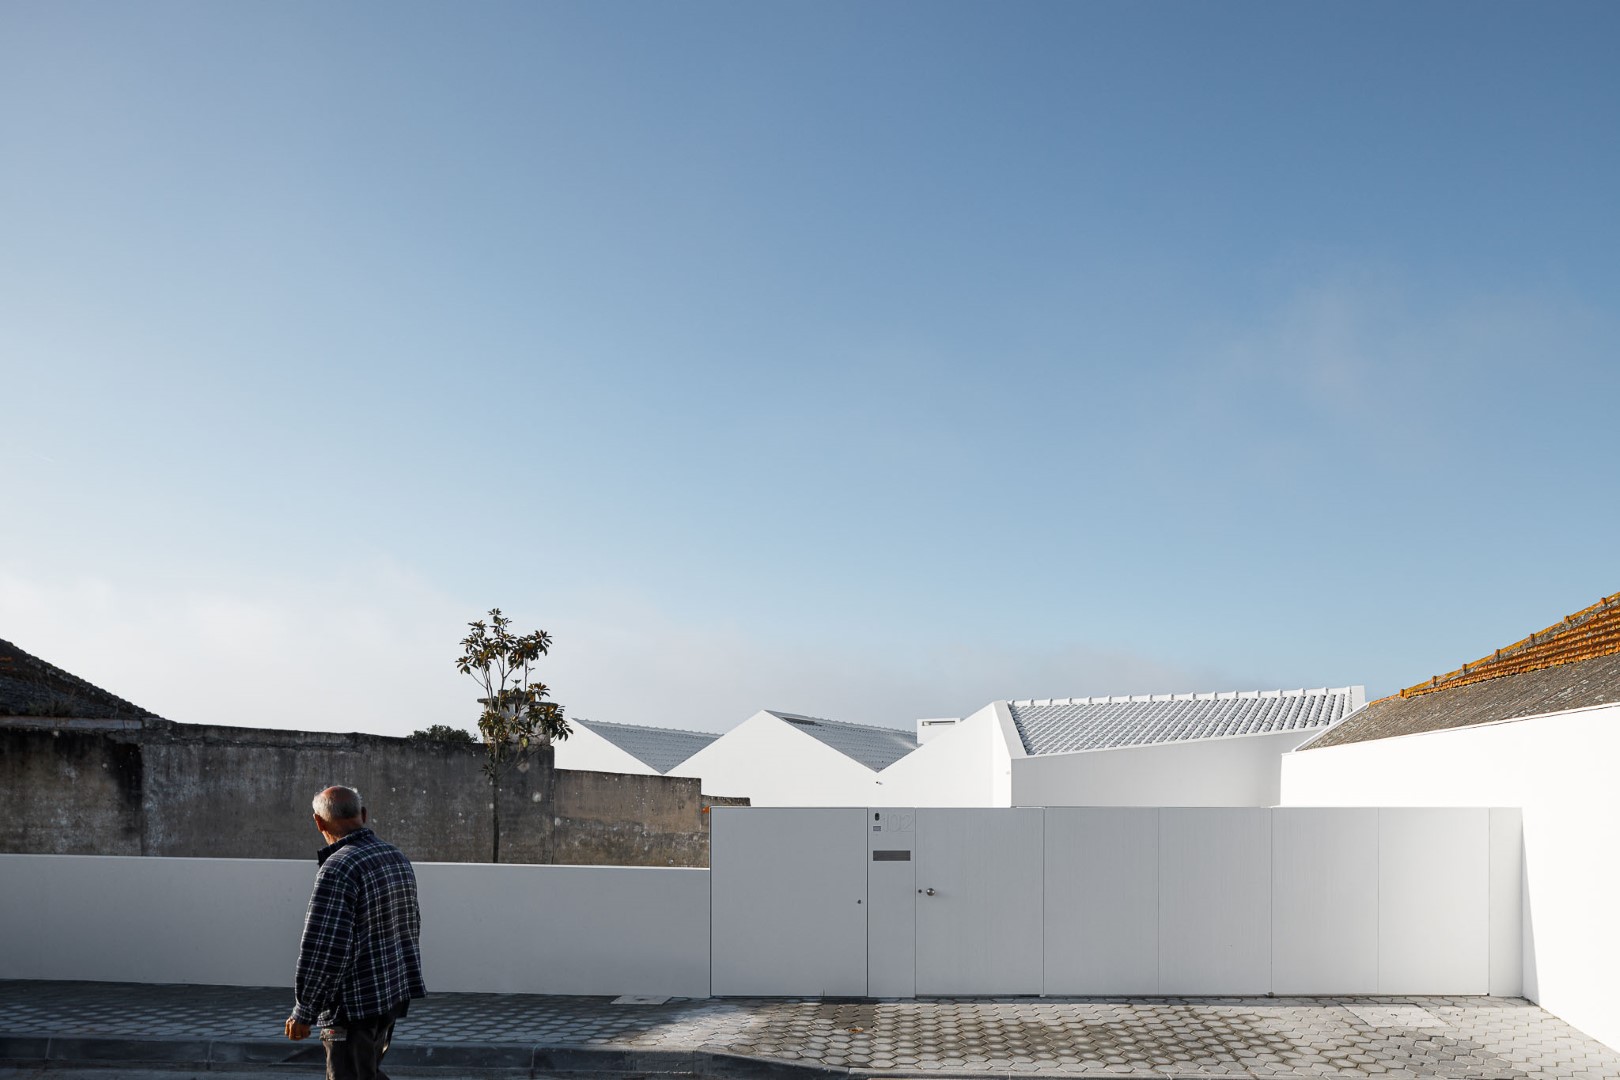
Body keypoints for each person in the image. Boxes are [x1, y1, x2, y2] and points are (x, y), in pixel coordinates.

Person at [285, 785, 426, 1080]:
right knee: (368, 1071)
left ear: (319, 822)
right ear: (362, 814)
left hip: (352, 1007)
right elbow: (411, 924)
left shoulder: (338, 868)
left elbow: (325, 949)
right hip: (388, 997)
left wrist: (304, 1010)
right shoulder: (394, 856)